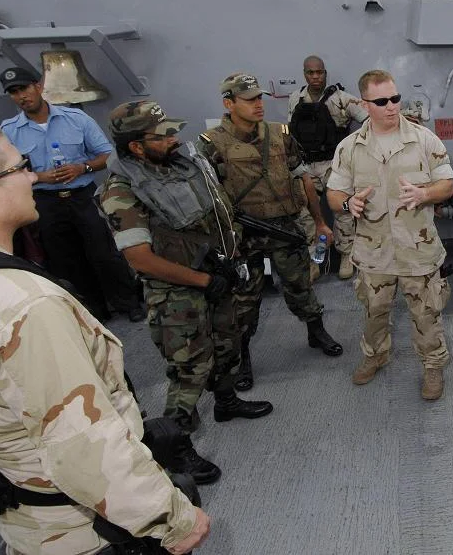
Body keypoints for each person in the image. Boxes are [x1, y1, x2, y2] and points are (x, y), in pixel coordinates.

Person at [0, 117, 209, 555]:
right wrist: (171, 518)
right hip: (81, 529)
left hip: (22, 513)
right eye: (21, 167)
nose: (32, 176)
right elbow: (81, 442)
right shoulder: (23, 305)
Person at [100, 100, 274, 443]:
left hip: (217, 275)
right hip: (178, 293)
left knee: (226, 346)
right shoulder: (122, 191)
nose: (174, 140)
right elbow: (140, 259)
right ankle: (177, 445)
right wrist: (204, 281)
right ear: (137, 147)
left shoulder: (183, 166)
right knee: (190, 369)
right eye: (162, 136)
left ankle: (226, 402)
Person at [199, 72, 341, 392]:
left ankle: (316, 331)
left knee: (300, 284)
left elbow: (304, 179)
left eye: (259, 98)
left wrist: (319, 222)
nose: (258, 104)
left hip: (284, 227)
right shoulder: (212, 144)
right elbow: (209, 198)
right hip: (243, 235)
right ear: (229, 104)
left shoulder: (280, 134)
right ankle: (243, 357)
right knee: (244, 299)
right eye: (249, 100)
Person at [325, 70, 453, 400]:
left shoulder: (423, 139)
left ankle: (433, 365)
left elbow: (447, 184)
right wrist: (348, 203)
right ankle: (375, 356)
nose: (392, 106)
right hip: (374, 252)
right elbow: (334, 194)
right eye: (382, 101)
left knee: (426, 313)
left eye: (395, 98)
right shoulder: (349, 148)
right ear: (364, 104)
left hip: (418, 249)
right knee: (374, 312)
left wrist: (425, 194)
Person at [0, 66, 143, 323]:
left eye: (24, 88)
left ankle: (128, 302)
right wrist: (38, 177)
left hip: (82, 195)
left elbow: (107, 155)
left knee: (104, 251)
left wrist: (83, 167)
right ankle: (94, 310)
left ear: (38, 86)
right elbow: (7, 171)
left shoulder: (76, 119)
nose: (21, 96)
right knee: (65, 259)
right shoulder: (9, 131)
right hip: (45, 201)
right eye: (14, 92)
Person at [287, 55, 368, 281]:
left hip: (334, 165)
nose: (315, 77)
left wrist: (356, 150)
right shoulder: (296, 99)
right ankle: (315, 259)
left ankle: (346, 255)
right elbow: (292, 132)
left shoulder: (341, 99)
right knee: (307, 214)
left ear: (325, 73)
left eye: (319, 72)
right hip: (306, 167)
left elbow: (369, 119)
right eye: (310, 73)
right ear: (304, 74)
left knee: (342, 210)